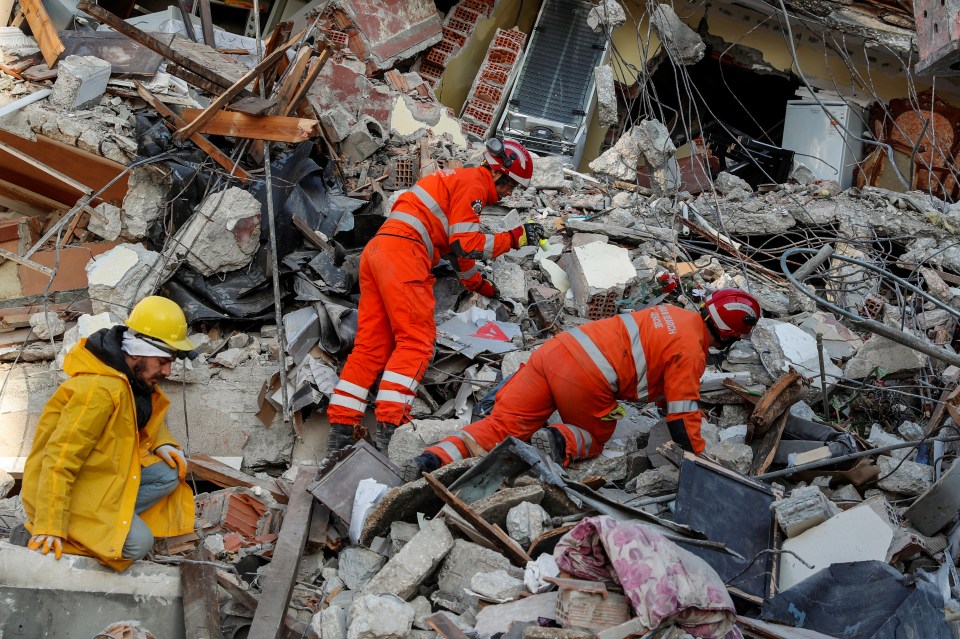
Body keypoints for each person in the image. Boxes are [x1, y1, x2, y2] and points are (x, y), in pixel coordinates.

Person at [325, 138, 545, 454]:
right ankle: (392, 431)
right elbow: (467, 243)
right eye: (512, 184)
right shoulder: (475, 185)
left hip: (378, 251)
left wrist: (481, 286)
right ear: (498, 173)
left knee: (371, 345)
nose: (511, 193)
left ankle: (340, 433)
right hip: (405, 254)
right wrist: (516, 237)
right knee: (416, 341)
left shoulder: (458, 181)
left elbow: (459, 253)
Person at [401, 289, 761, 481]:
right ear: (730, 334)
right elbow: (683, 418)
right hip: (588, 378)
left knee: (498, 427)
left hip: (555, 352)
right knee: (597, 437)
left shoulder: (675, 315)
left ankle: (431, 459)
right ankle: (558, 440)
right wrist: (700, 460)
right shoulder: (692, 352)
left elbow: (661, 377)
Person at [19, 296, 197, 571]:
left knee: (170, 472)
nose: (168, 370)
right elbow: (59, 459)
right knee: (138, 544)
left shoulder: (128, 376)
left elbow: (141, 415)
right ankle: (47, 531)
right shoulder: (98, 392)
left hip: (101, 478)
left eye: (170, 361)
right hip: (75, 487)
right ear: (137, 352)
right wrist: (50, 524)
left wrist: (162, 442)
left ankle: (106, 522)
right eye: (163, 361)